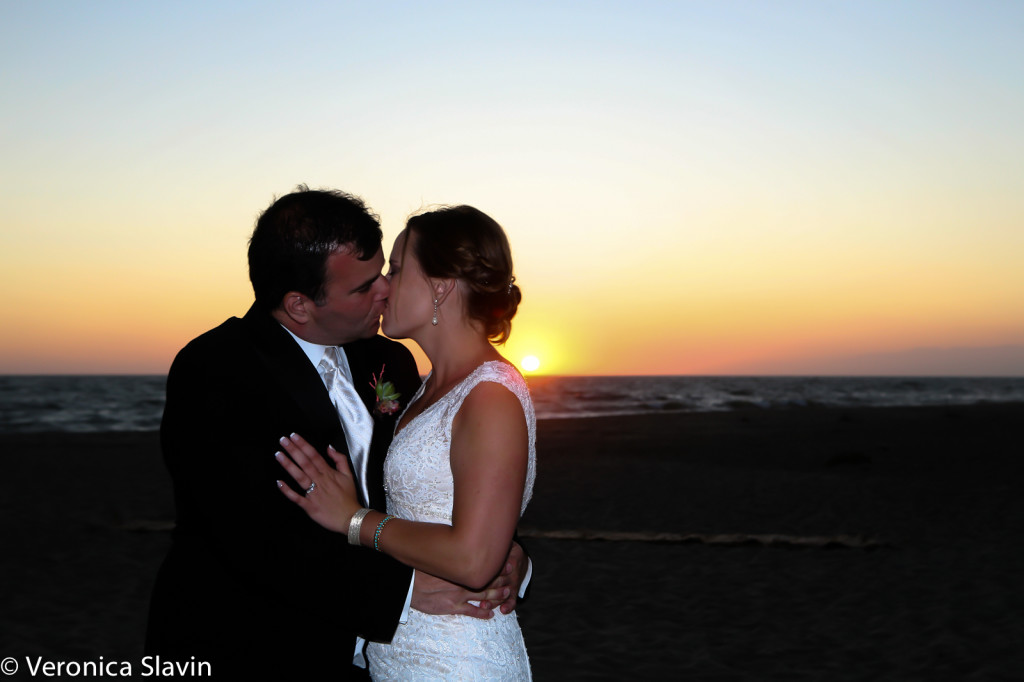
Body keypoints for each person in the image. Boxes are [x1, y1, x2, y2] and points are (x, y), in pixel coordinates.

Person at [145, 188, 527, 679]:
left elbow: (442, 482)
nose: (385, 291)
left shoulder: (390, 359)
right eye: (364, 287)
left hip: (381, 657)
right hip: (257, 647)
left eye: (386, 272)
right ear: (299, 305)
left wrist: (504, 557)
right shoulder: (215, 370)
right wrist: (405, 590)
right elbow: (249, 536)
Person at [275, 205, 535, 679]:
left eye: (396, 268)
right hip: (397, 652)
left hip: (457, 658)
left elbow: (475, 561)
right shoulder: (421, 385)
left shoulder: (491, 396)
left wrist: (355, 520)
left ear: (441, 285)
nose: (385, 285)